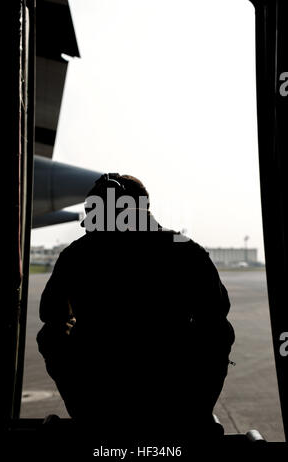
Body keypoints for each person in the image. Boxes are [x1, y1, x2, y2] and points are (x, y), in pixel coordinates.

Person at [37, 173, 235, 441]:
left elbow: (52, 320)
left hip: (98, 407)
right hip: (178, 408)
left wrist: (82, 398)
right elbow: (216, 327)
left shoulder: (77, 255)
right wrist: (197, 408)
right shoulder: (187, 252)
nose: (87, 224)